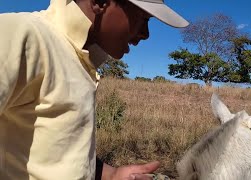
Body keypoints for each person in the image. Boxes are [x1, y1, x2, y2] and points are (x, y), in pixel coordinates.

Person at [0, 0, 188, 179]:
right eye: (143, 19)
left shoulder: (79, 59)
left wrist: (111, 175)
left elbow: (58, 154)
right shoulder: (18, 34)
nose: (146, 34)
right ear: (100, 3)